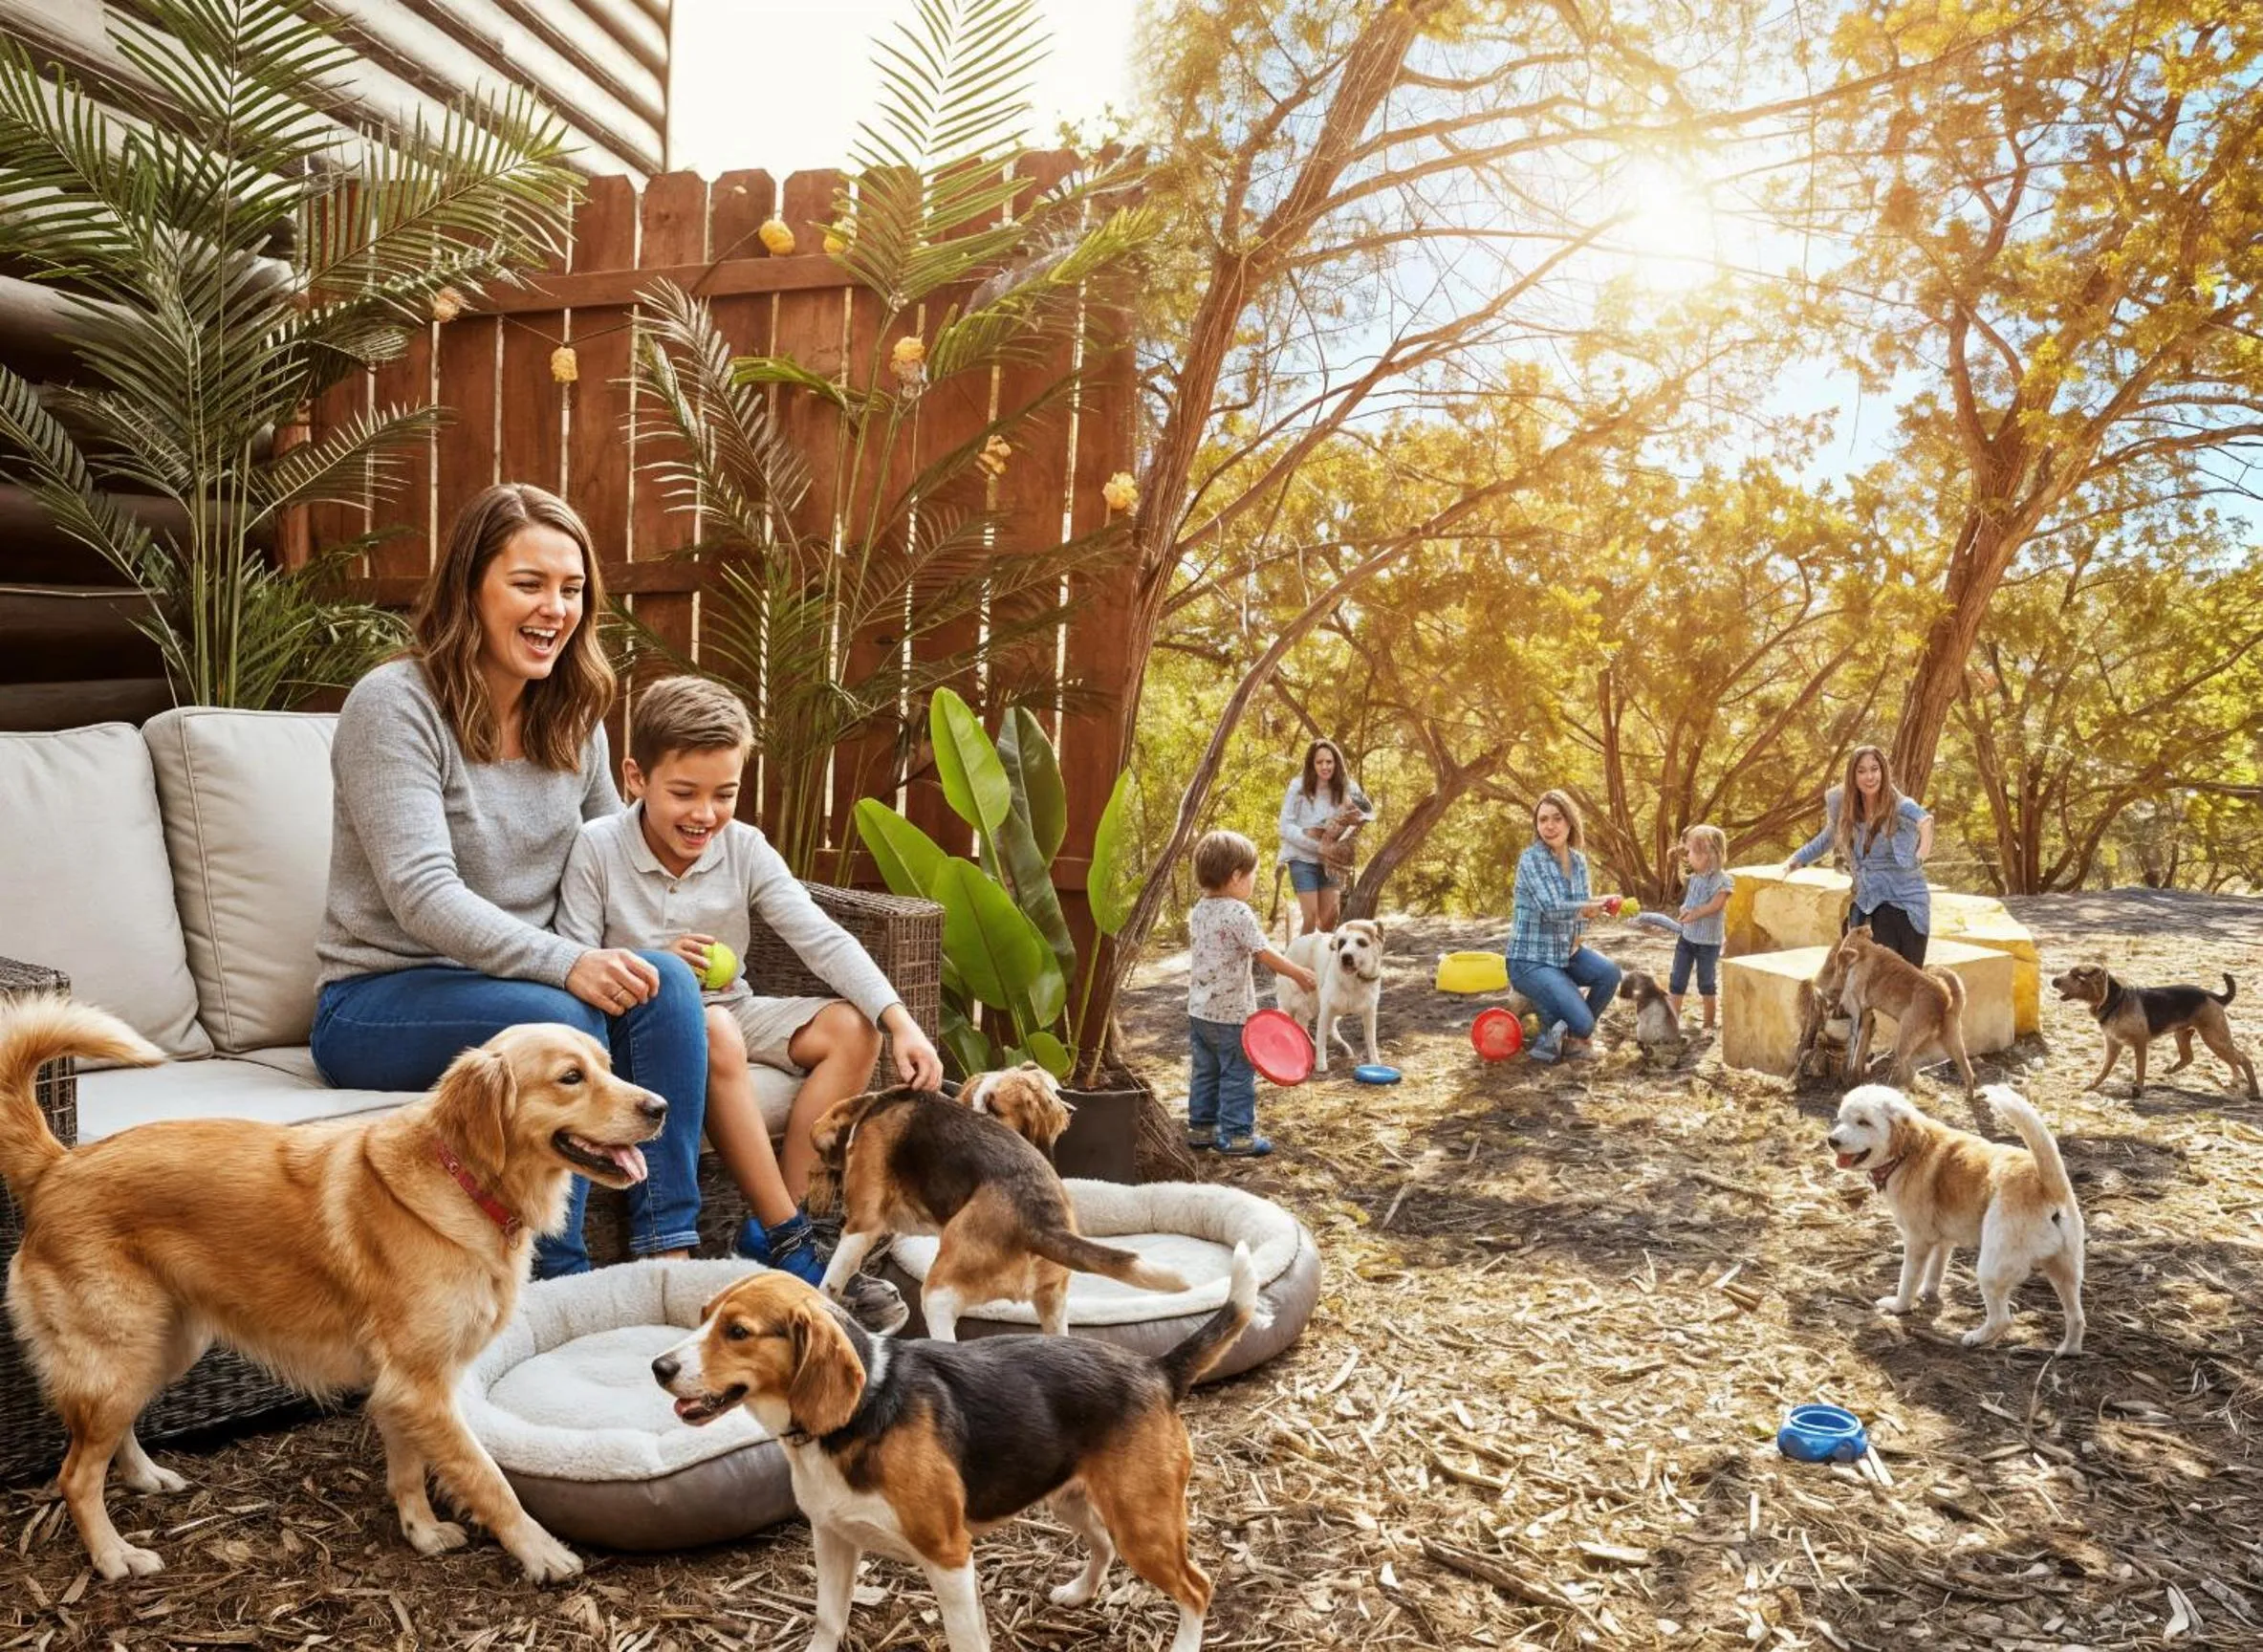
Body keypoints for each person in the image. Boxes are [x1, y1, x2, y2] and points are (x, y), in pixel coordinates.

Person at [312, 482, 708, 1279]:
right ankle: (555, 1281)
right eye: (528, 584)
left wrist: (655, 947)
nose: (554, 609)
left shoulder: (574, 717)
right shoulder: (394, 706)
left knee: (663, 982)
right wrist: (569, 964)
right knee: (554, 1011)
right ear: (469, 590)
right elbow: (422, 894)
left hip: (531, 989)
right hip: (381, 999)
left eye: (571, 590)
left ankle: (667, 1252)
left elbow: (612, 859)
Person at [555, 675, 942, 1318]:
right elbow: (570, 958)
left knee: (853, 1028)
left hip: (732, 1005)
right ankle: (792, 1238)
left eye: (724, 793)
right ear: (634, 778)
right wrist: (646, 969)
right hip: (639, 1031)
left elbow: (820, 937)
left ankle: (773, 1234)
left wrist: (898, 1019)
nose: (704, 813)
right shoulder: (597, 848)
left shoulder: (743, 848)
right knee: (715, 1032)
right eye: (683, 793)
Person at [1186, 830, 1317, 1158]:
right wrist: (1297, 972)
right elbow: (1263, 953)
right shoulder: (1238, 912)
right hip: (1231, 1015)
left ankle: (1201, 1129)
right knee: (1236, 1074)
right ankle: (1237, 1135)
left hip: (1199, 1012)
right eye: (1253, 876)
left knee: (1206, 1071)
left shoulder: (1200, 909)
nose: (1253, 883)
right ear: (1235, 877)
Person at [1784, 744, 1935, 966]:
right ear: (1852, 776)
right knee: (1869, 974)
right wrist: (1797, 860)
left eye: (1874, 769)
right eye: (1861, 771)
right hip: (1870, 901)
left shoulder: (1900, 805)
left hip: (1906, 901)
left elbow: (1925, 821)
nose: (1869, 776)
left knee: (1904, 982)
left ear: (1883, 771)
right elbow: (1828, 838)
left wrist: (1921, 854)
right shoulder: (1846, 809)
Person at [1506, 790, 1624, 1064]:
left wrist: (1597, 909)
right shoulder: (1531, 859)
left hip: (1564, 954)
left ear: (1570, 822)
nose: (1549, 826)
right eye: (1543, 819)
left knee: (1609, 973)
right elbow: (1552, 906)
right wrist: (1585, 908)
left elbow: (1581, 911)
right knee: (1584, 1023)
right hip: (1529, 961)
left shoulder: (1579, 861)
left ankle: (1564, 1033)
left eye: (1557, 818)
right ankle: (1569, 1027)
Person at [1277, 738, 1375, 936]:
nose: (1325, 766)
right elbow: (1285, 826)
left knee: (1330, 918)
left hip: (1332, 861)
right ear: (1311, 764)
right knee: (1310, 917)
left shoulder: (1349, 786)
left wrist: (1354, 819)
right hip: (1301, 858)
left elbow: (1369, 813)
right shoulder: (1298, 786)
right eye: (1319, 762)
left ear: (1336, 763)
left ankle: (1321, 960)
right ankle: (1300, 964)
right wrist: (1318, 845)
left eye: (1329, 762)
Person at [1670, 824, 1734, 1031]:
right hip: (1687, 938)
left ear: (1708, 854)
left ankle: (1708, 1023)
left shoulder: (1723, 880)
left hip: (1708, 943)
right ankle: (1671, 1021)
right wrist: (1684, 909)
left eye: (1691, 852)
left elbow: (1717, 905)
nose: (1687, 857)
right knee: (1677, 979)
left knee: (1706, 982)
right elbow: (1690, 902)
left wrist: (1696, 913)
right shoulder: (1695, 878)